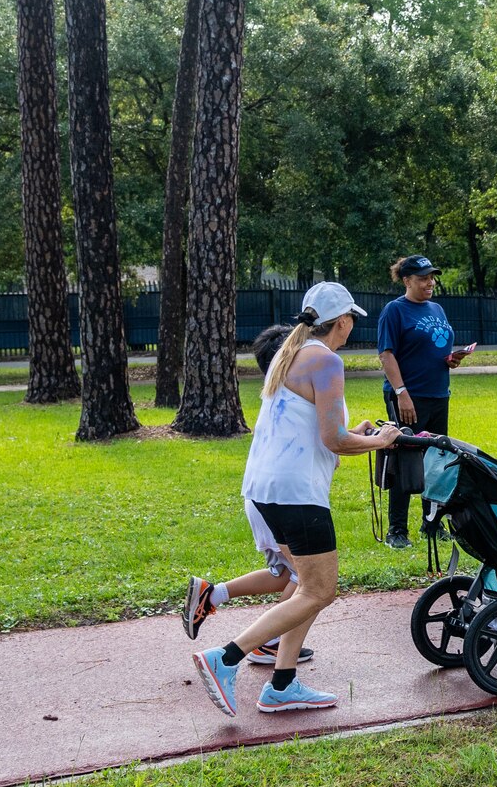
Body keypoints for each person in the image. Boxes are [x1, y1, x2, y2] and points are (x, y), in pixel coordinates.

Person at [189, 281, 400, 717]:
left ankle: (282, 684)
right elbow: (332, 439)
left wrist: (356, 436)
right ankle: (225, 658)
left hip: (265, 488)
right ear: (341, 321)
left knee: (305, 586)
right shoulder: (326, 359)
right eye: (350, 321)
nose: (350, 328)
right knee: (318, 590)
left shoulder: (289, 356)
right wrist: (380, 441)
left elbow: (317, 433)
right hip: (296, 494)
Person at [180, 325, 319, 666]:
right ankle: (267, 641)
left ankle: (214, 594)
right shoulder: (296, 397)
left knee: (285, 574)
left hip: (259, 496)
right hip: (278, 499)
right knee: (308, 579)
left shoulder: (276, 397)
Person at [377, 255, 473, 549]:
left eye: (432, 277)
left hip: (437, 393)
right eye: (423, 278)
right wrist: (402, 392)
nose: (430, 283)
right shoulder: (395, 311)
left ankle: (431, 523)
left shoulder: (437, 308)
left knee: (435, 461)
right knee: (405, 458)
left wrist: (450, 360)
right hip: (409, 396)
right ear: (407, 281)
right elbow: (386, 354)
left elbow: (431, 347)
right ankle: (397, 531)